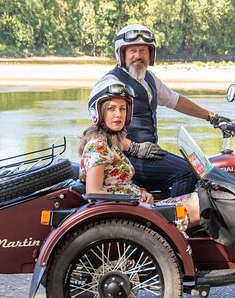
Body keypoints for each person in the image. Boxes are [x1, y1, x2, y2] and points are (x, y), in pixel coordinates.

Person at [99, 23, 226, 197]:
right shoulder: (110, 84)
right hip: (126, 157)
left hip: (148, 153)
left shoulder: (148, 78)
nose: (138, 56)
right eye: (132, 51)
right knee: (186, 172)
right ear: (121, 54)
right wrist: (134, 147)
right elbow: (99, 128)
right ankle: (176, 221)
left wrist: (212, 117)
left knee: (193, 167)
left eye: (143, 51)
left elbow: (175, 100)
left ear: (150, 54)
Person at [79, 76, 201, 231]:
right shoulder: (98, 146)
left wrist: (142, 193)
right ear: (98, 112)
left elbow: (117, 185)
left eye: (123, 109)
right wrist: (135, 200)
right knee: (204, 204)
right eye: (111, 108)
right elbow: (94, 194)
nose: (118, 114)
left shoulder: (111, 142)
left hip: (140, 209)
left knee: (203, 197)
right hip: (135, 216)